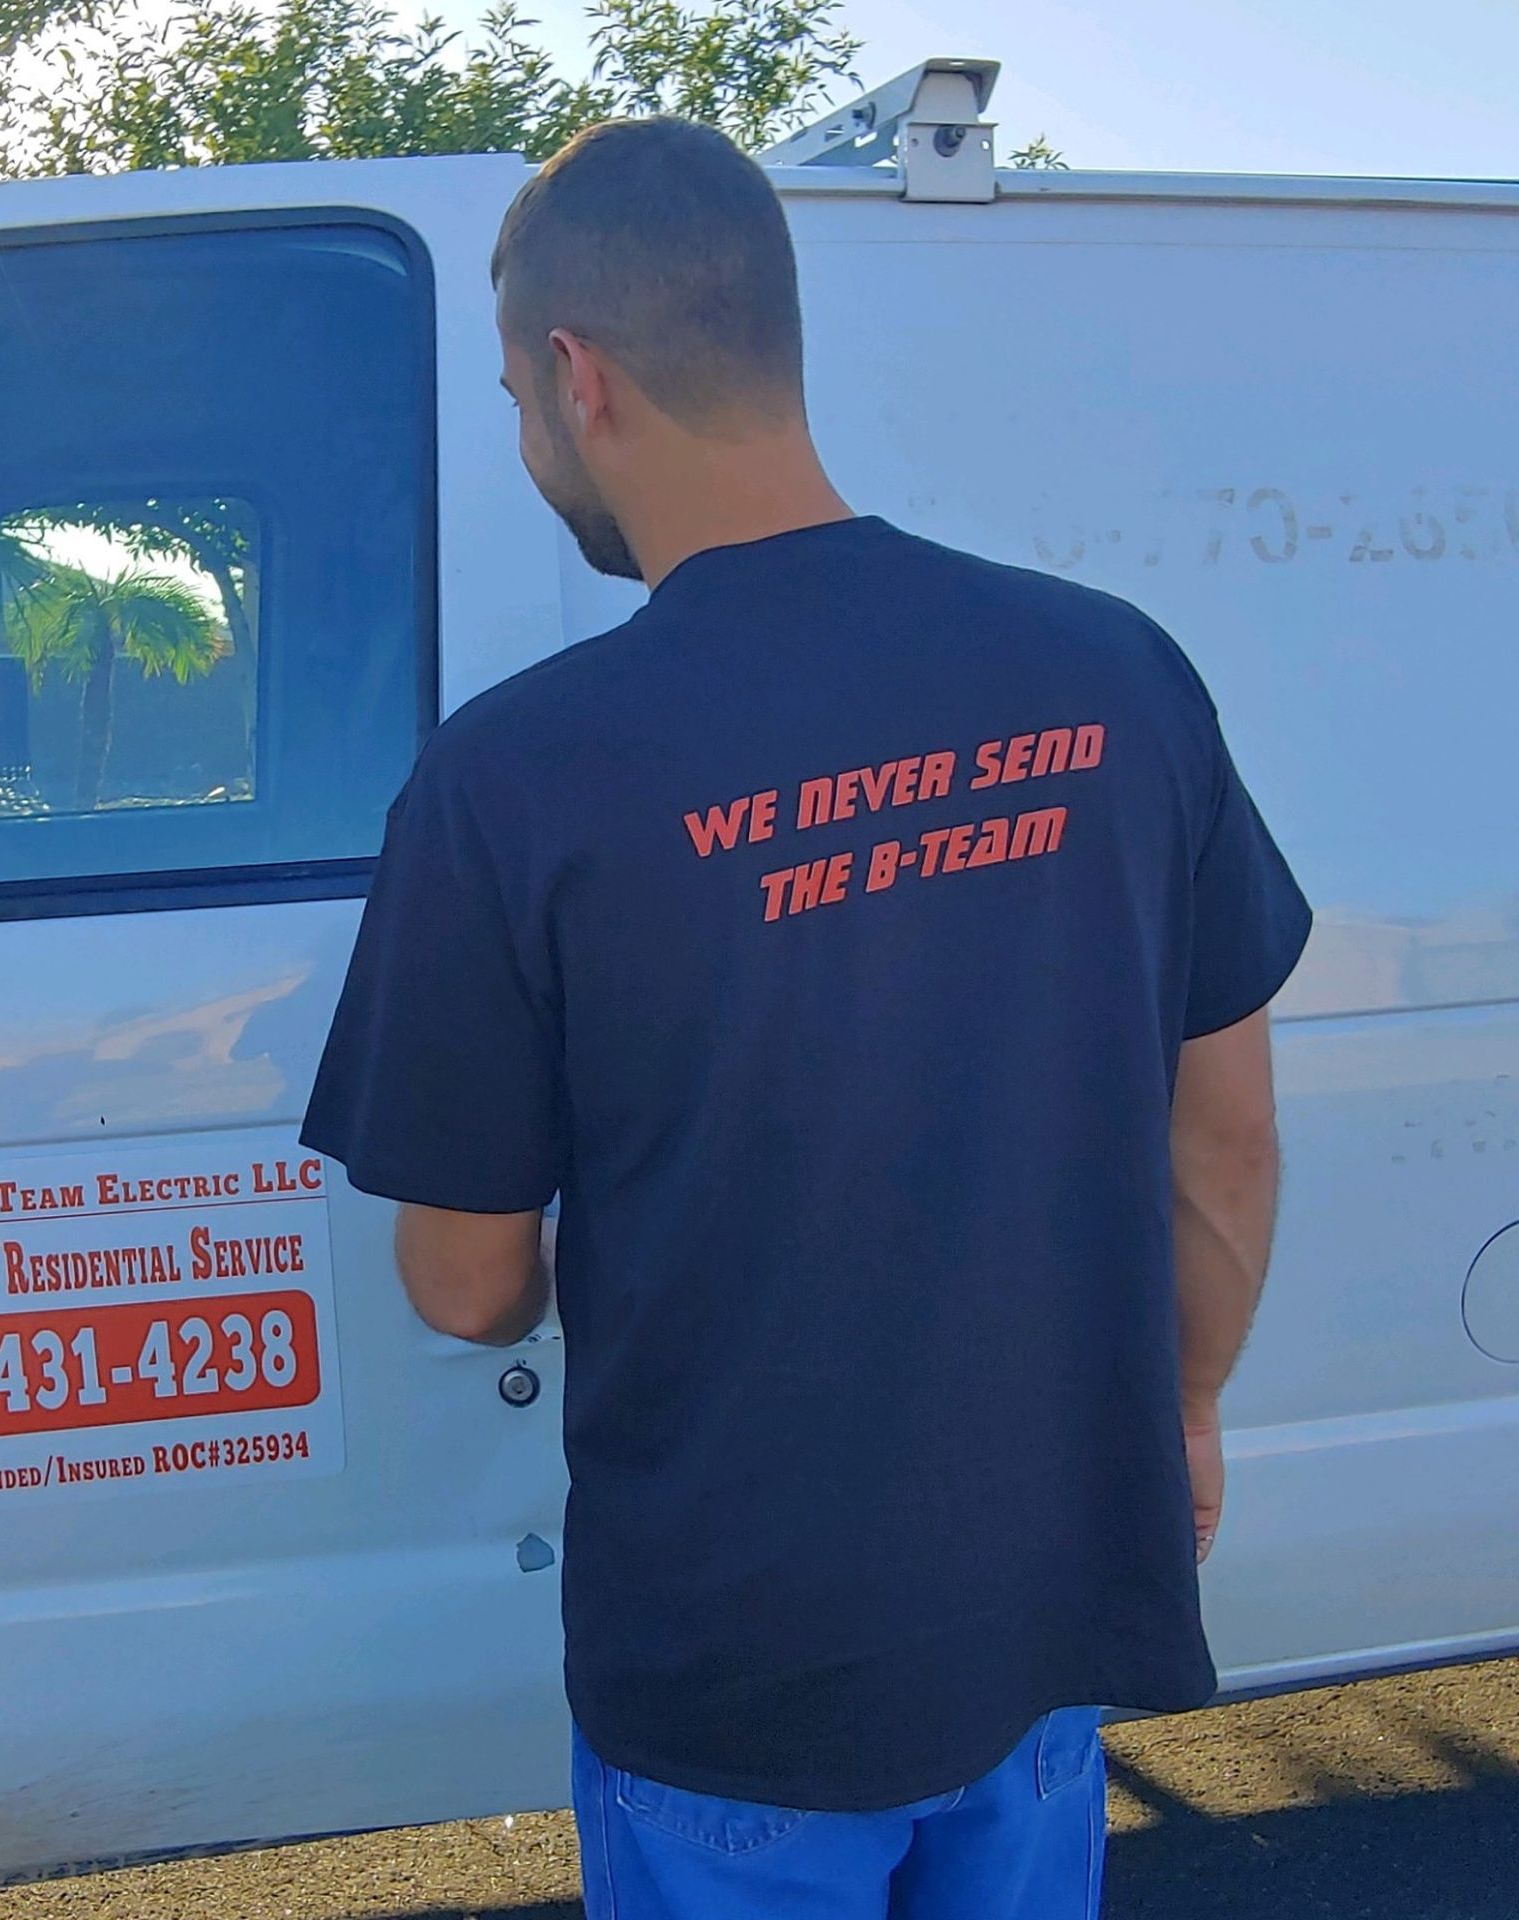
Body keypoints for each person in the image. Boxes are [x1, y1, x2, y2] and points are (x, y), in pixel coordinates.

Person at [301, 116, 1311, 1920]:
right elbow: (1224, 1136)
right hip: (1035, 1625)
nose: (534, 445)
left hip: (732, 1686)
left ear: (574, 375)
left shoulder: (513, 782)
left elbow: (466, 1282)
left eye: (525, 408)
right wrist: (1191, 1407)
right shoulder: (1115, 672)